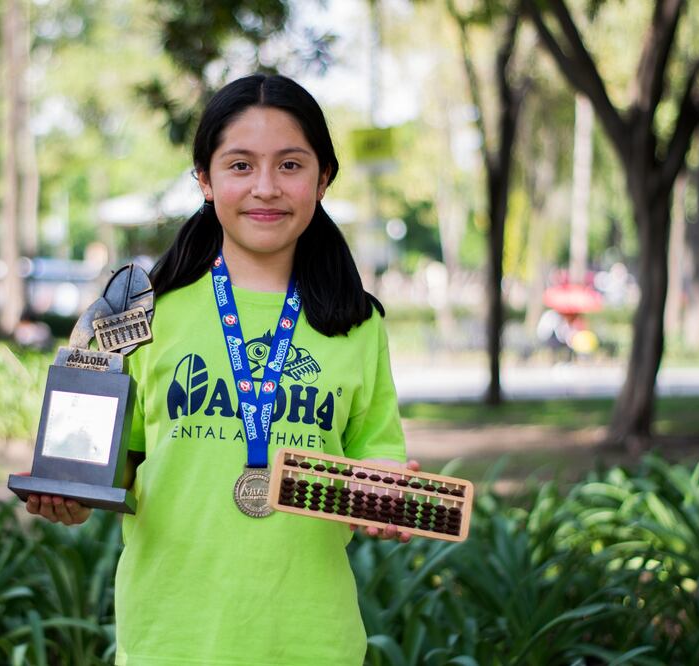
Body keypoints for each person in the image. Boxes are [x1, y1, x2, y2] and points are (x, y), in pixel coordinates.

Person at [26, 73, 415, 665]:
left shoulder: (356, 325)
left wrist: (387, 495)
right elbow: (115, 465)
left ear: (323, 178)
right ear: (205, 180)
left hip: (312, 642)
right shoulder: (147, 313)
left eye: (290, 165)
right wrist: (74, 498)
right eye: (240, 166)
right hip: (171, 640)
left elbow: (375, 453)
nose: (265, 188)